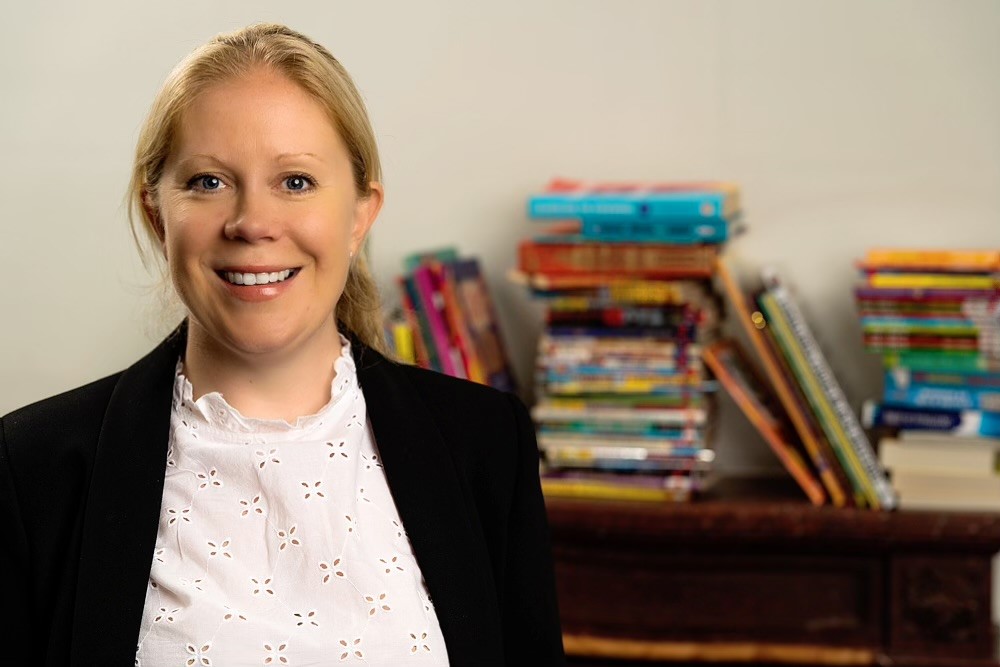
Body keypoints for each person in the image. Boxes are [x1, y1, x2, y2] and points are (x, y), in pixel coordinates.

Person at [0, 23, 564, 666]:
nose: (253, 224)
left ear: (359, 214)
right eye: (209, 182)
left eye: (295, 181)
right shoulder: (31, 469)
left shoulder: (487, 444)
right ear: (158, 215)